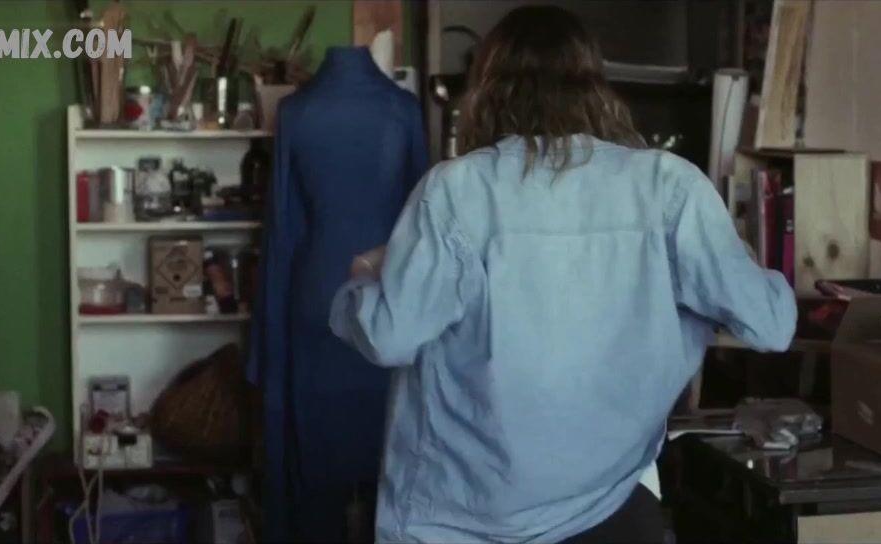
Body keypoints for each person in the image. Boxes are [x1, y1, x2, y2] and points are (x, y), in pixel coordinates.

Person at [330, 5, 796, 543]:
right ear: (594, 84)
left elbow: (390, 336)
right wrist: (737, 260)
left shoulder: (457, 191)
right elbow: (771, 324)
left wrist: (361, 285)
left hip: (465, 522)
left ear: (485, 88)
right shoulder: (670, 187)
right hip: (610, 508)